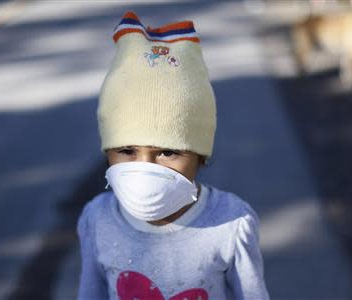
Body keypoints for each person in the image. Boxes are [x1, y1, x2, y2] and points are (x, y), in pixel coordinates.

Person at [77, 11, 269, 300]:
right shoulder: (97, 220)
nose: (144, 169)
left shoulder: (231, 222)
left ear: (201, 156)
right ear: (107, 152)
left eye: (167, 152)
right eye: (127, 150)